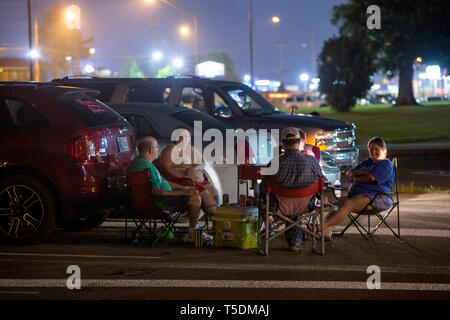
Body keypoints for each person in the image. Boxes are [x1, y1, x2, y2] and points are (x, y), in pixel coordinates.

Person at [128, 136, 203, 243]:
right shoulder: (147, 168)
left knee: (191, 191)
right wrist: (183, 192)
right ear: (151, 150)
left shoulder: (139, 163)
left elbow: (163, 182)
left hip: (145, 202)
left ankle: (193, 231)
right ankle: (192, 233)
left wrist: (183, 187)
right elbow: (156, 191)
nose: (158, 150)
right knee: (194, 196)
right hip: (159, 204)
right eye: (157, 147)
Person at [318, 137, 395, 240]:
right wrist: (360, 173)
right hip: (358, 195)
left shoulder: (386, 164)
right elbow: (350, 172)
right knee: (337, 204)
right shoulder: (368, 161)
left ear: (384, 150)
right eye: (371, 149)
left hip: (376, 196)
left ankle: (319, 228)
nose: (373, 152)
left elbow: (372, 178)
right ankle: (326, 231)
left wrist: (359, 176)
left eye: (376, 149)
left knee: (347, 204)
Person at [261, 127, 323, 252]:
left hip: (279, 207)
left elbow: (264, 187)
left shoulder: (275, 162)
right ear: (299, 141)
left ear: (283, 143)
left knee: (266, 197)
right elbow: (321, 184)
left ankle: (268, 228)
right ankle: (295, 241)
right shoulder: (312, 161)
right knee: (295, 202)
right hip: (305, 206)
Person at [156, 127, 218, 217]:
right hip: (178, 180)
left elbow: (202, 162)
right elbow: (166, 167)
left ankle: (216, 218)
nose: (184, 139)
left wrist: (194, 168)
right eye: (181, 136)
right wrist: (182, 176)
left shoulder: (191, 149)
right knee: (203, 192)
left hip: (194, 179)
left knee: (212, 189)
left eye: (186, 136)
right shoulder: (170, 149)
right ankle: (216, 215)